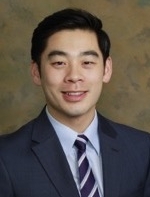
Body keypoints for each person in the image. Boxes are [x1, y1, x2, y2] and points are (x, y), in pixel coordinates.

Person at [0, 8, 150, 197]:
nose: (74, 77)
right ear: (36, 72)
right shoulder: (5, 157)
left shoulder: (143, 150)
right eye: (59, 63)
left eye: (87, 62)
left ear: (106, 69)